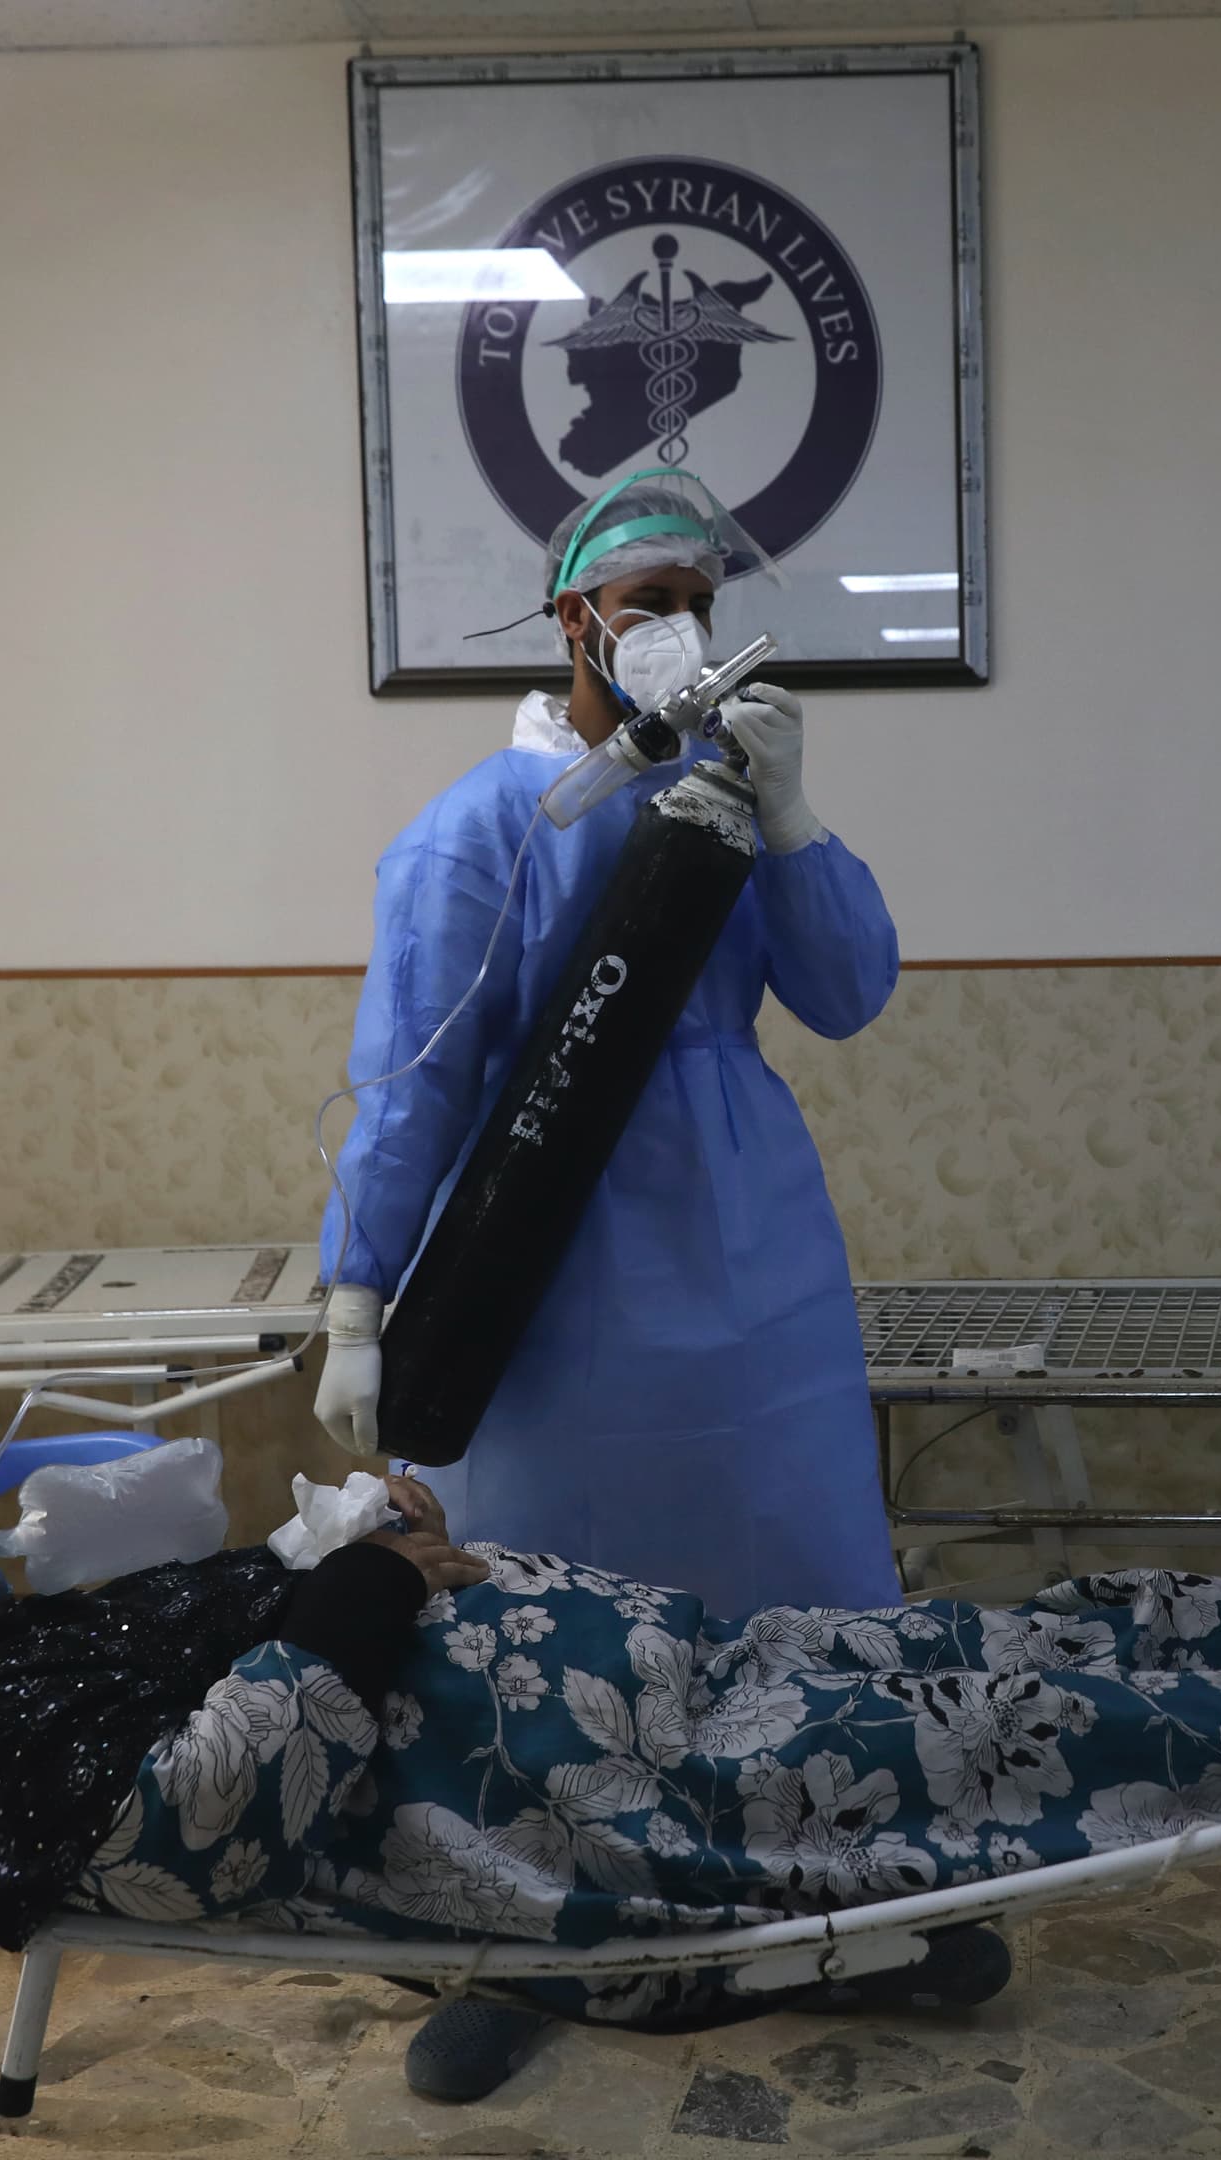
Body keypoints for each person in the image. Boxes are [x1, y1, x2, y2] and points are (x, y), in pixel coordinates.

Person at [0, 1475, 1221, 2034]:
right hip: (573, 1803)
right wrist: (357, 1602)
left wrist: (356, 1540)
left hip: (648, 1665)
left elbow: (287, 1611)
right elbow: (203, 1826)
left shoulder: (54, 1628)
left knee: (966, 1649)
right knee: (988, 1746)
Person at [316, 466, 902, 1622]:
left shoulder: (730, 799)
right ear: (574, 617)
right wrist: (356, 1299)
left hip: (750, 1230)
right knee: (563, 1579)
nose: (680, 629)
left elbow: (845, 993)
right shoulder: (481, 829)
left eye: (700, 602)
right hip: (545, 1228)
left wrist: (793, 819)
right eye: (649, 601)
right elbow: (413, 1086)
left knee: (776, 1521)